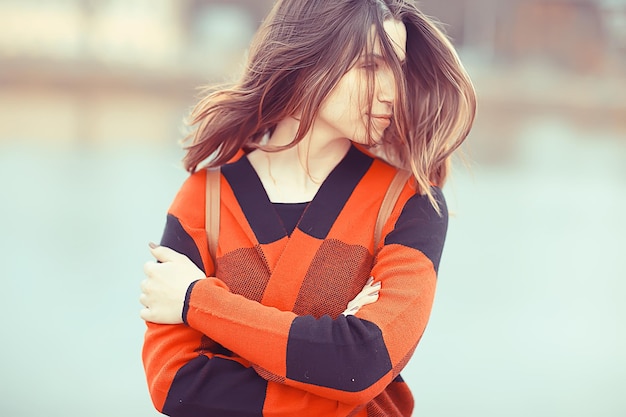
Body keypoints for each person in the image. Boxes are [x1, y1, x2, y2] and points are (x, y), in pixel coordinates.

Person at [139, 0, 476, 415]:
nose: (392, 90)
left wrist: (197, 301)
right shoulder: (204, 198)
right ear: (308, 57)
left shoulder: (411, 203)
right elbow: (175, 385)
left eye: (398, 68)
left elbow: (364, 362)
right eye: (371, 66)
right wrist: (332, 367)